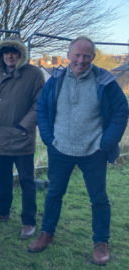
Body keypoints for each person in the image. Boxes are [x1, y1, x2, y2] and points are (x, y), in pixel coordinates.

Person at [29, 37, 129, 266]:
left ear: (93, 57)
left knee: (98, 198)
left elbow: (121, 112)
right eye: (77, 55)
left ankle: (101, 242)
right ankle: (47, 233)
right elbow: (42, 108)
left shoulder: (105, 81)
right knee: (54, 193)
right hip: (59, 148)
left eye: (86, 56)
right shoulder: (55, 80)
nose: (81, 60)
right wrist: (48, 137)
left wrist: (106, 143)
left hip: (94, 150)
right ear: (68, 55)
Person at [0, 36, 45, 239]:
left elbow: (39, 104)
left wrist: (22, 127)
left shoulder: (34, 74)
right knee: (2, 177)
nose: (9, 55)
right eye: (5, 52)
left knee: (27, 181)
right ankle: (2, 212)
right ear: (0, 55)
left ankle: (28, 221)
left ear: (20, 54)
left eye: (14, 52)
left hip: (22, 137)